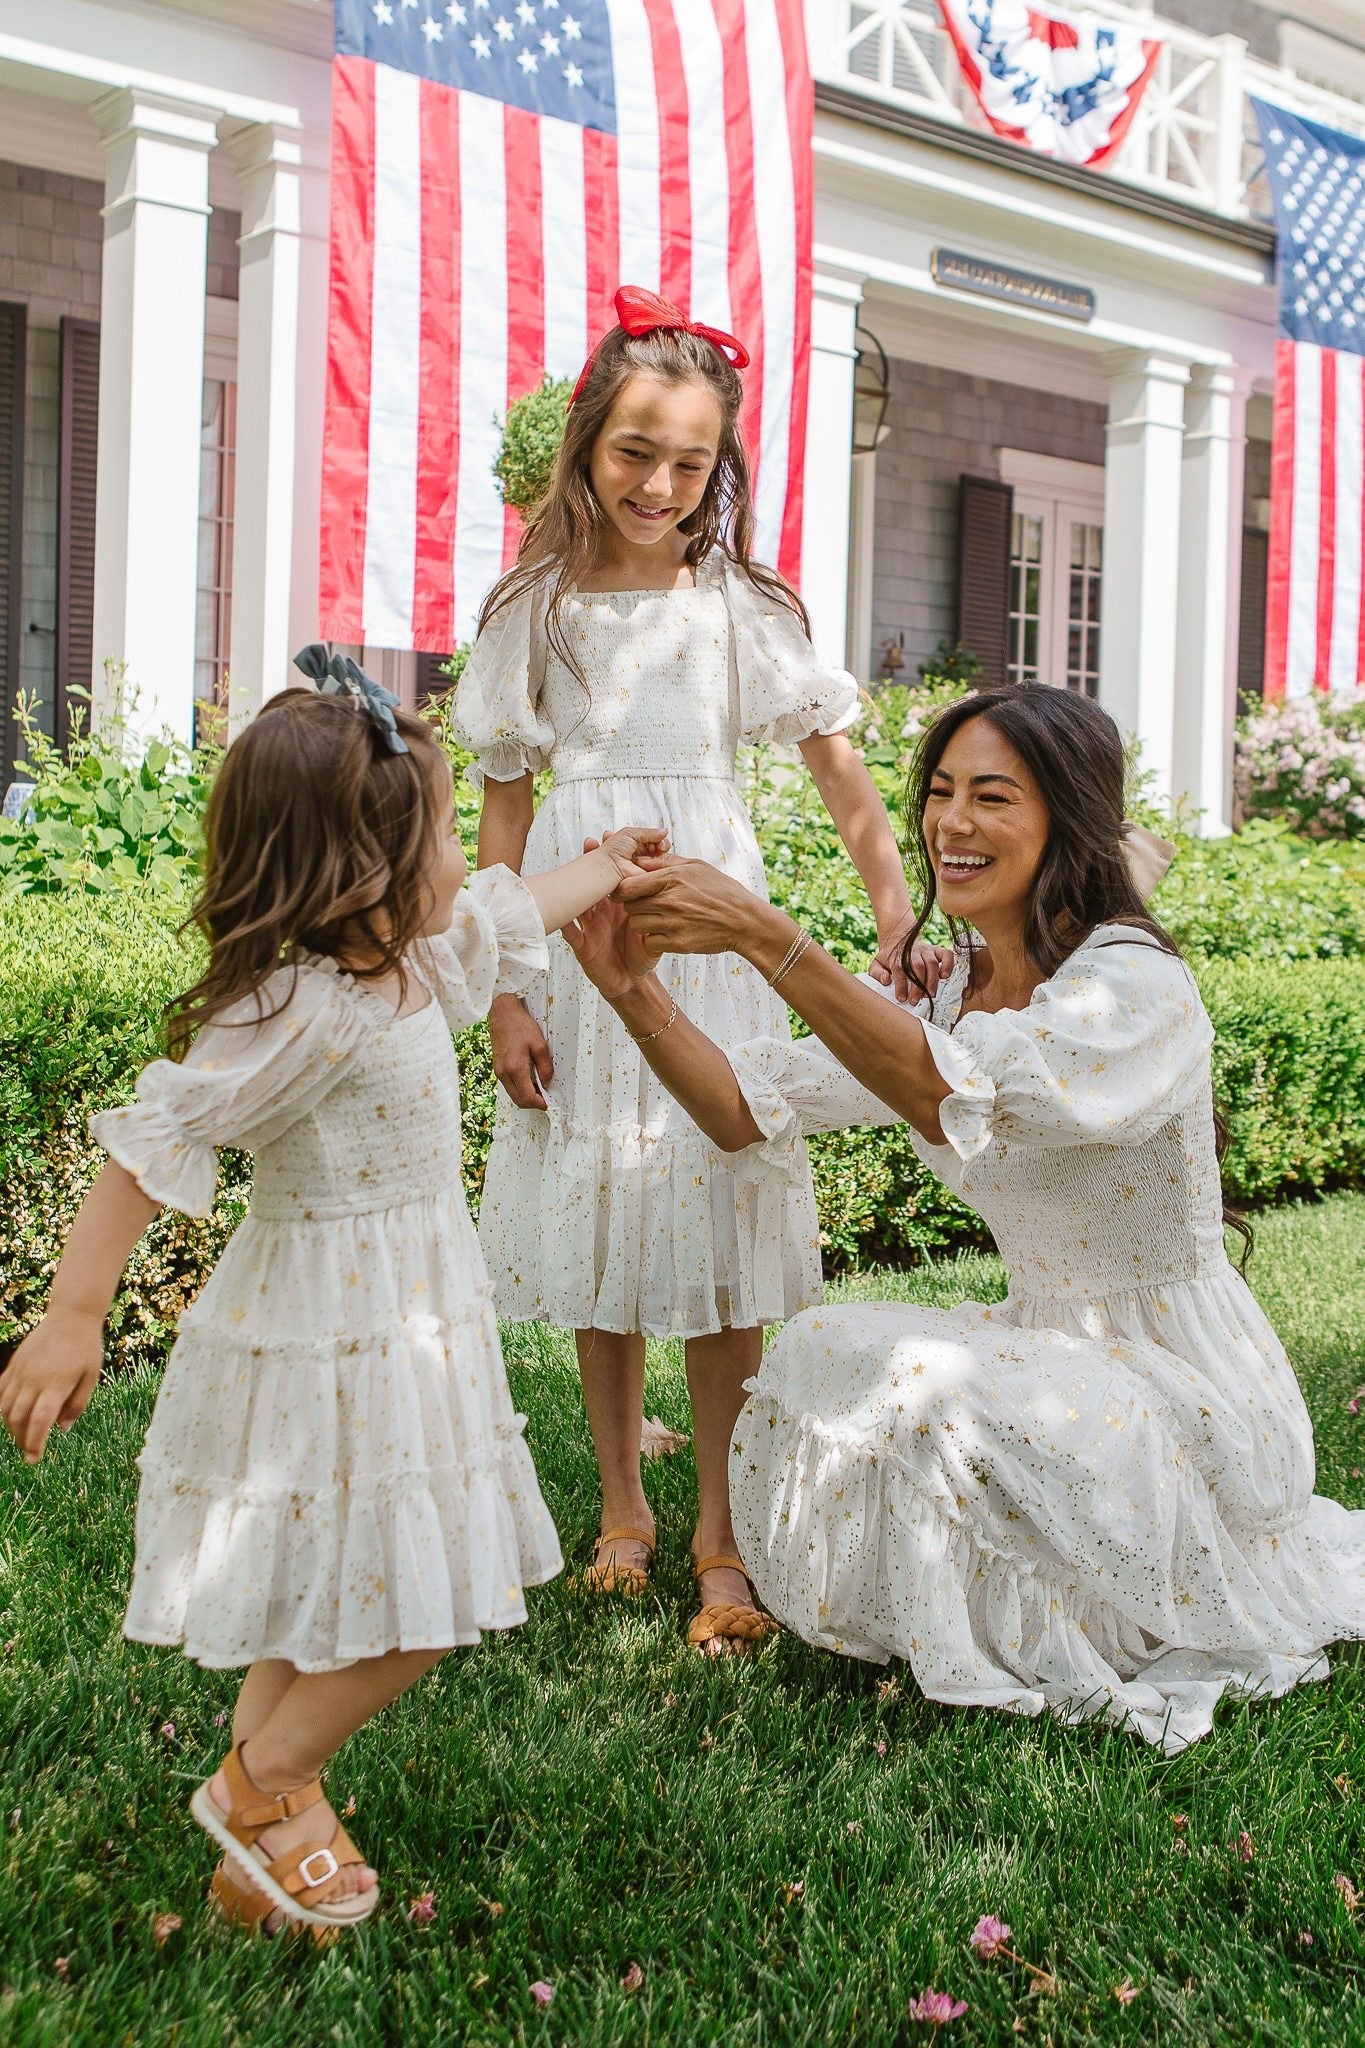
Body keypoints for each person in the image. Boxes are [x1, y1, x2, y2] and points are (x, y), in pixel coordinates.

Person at [565, 683, 1365, 1749]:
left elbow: (942, 1089)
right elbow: (734, 1108)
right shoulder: (948, 992)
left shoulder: (1134, 988)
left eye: (993, 795)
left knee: (931, 1395)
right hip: (1046, 1340)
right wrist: (627, 985)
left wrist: (765, 934)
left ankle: (1100, 1600)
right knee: (822, 1346)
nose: (951, 822)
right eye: (940, 791)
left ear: (1068, 820)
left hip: (1184, 1386)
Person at [0, 661, 665, 1932]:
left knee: (325, 1580)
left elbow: (514, 901)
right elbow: (155, 1139)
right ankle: (267, 1780)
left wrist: (611, 861)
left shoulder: (419, 960)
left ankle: (262, 1850)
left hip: (413, 1310)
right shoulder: (298, 1012)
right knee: (426, 1599)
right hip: (323, 1326)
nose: (459, 860)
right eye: (434, 840)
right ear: (356, 870)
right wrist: (75, 1311)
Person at [454, 285, 944, 1654]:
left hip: (706, 932)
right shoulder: (531, 612)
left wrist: (892, 905)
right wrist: (502, 985)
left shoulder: (736, 604)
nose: (660, 484)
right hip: (570, 937)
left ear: (717, 465)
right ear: (582, 443)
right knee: (600, 1218)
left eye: (688, 461)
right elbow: (500, 808)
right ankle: (624, 1510)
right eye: (633, 453)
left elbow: (838, 770)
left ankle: (723, 1532)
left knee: (721, 1219)